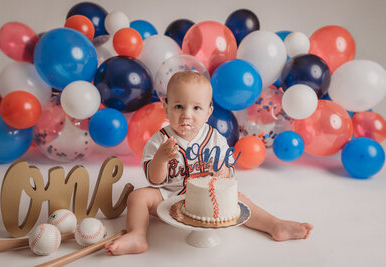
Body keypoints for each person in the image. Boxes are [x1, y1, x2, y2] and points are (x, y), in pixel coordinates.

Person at [105, 71, 313, 255]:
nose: (187, 114)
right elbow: (155, 180)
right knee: (138, 197)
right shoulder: (160, 140)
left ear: (208, 112)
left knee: (240, 199)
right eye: (179, 106)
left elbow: (227, 173)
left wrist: (223, 173)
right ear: (166, 109)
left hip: (207, 198)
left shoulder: (215, 139)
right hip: (169, 196)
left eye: (196, 108)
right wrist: (160, 158)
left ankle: (275, 225)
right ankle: (137, 235)